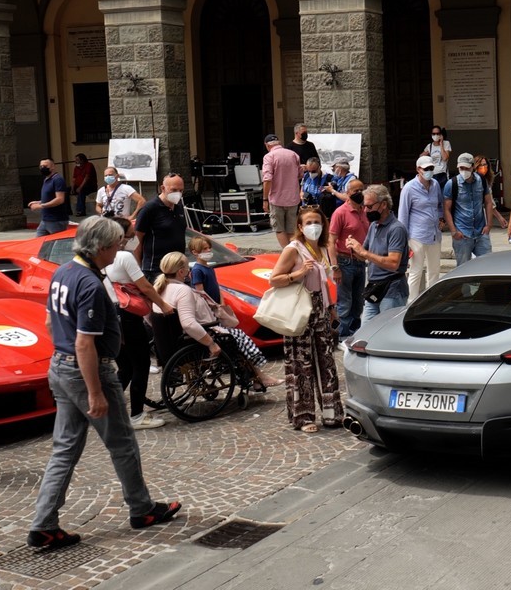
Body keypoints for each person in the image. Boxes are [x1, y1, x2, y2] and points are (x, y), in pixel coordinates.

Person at [28, 216, 181, 551]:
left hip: (63, 366)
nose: (120, 249)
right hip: (88, 370)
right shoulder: (89, 283)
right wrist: (95, 391)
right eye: (116, 244)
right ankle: (141, 509)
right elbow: (85, 344)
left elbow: (50, 322)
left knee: (64, 448)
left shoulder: (63, 272)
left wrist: (64, 358)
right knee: (123, 443)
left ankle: (43, 524)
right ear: (100, 247)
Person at [152, 252, 279, 388]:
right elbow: (188, 323)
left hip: (170, 341)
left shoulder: (159, 288)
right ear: (182, 271)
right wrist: (210, 343)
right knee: (239, 336)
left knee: (234, 335)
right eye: (188, 268)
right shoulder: (182, 291)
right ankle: (259, 376)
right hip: (192, 338)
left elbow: (150, 319)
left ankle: (257, 376)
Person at [267, 207, 342, 433]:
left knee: (326, 363)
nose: (313, 226)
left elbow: (323, 283)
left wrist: (331, 309)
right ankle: (303, 416)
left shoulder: (320, 249)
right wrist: (297, 275)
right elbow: (274, 279)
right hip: (300, 312)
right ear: (300, 227)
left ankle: (332, 413)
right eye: (308, 222)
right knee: (301, 365)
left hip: (320, 311)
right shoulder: (293, 249)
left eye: (317, 221)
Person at [105, 218, 173, 430]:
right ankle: (136, 415)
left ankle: (108, 411)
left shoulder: (100, 257)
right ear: (120, 236)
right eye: (131, 233)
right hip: (128, 316)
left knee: (124, 367)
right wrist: (163, 305)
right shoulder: (124, 256)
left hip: (111, 316)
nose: (135, 237)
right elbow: (145, 286)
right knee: (140, 365)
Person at [347, 184, 410, 323]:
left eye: (369, 207)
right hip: (374, 287)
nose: (365, 210)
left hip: (392, 290)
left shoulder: (396, 229)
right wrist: (354, 249)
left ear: (383, 205)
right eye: (364, 206)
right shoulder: (374, 226)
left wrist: (363, 251)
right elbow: (364, 255)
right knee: (365, 332)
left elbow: (393, 263)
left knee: (387, 332)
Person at [328, 178, 369, 339]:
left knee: (359, 302)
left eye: (361, 190)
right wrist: (335, 267)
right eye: (355, 191)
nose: (359, 193)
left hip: (361, 261)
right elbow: (331, 241)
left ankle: (354, 332)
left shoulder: (365, 211)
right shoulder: (340, 213)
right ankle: (341, 336)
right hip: (345, 261)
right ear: (348, 193)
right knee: (344, 302)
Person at [399, 155, 443, 299]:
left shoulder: (435, 184)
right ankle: (410, 302)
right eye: (426, 169)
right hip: (416, 235)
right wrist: (404, 241)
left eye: (431, 168)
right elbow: (403, 215)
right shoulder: (409, 188)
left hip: (434, 233)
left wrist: (441, 218)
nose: (429, 171)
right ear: (418, 169)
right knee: (416, 271)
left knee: (434, 270)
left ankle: (431, 301)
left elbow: (439, 205)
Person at [445, 153, 497, 265]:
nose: (464, 171)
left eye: (467, 168)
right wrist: (453, 231)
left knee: (487, 265)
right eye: (461, 168)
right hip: (462, 234)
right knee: (463, 268)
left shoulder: (481, 181)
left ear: (473, 166)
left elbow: (488, 202)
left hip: (481, 232)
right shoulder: (452, 184)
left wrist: (489, 225)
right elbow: (446, 209)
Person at [133, 173, 187, 282]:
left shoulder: (179, 207)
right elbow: (137, 240)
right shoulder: (150, 208)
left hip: (178, 268)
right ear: (162, 188)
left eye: (181, 190)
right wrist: (140, 267)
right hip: (156, 270)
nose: (178, 193)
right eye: (174, 190)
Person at [262, 133, 302, 248]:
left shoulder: (269, 157)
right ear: (279, 143)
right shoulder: (293, 154)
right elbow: (300, 174)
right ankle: (295, 253)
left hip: (276, 199)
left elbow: (267, 179)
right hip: (293, 198)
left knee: (279, 229)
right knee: (291, 229)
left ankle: (286, 254)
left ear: (267, 145)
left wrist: (265, 199)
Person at [31, 158, 70, 236]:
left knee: (58, 244)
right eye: (41, 166)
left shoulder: (58, 180)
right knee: (39, 243)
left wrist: (41, 206)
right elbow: (49, 197)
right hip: (45, 220)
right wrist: (38, 202)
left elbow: (59, 199)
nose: (43, 168)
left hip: (56, 220)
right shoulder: (46, 180)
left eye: (45, 166)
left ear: (53, 167)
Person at [422, 125, 451, 217]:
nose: (435, 135)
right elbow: (421, 158)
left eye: (437, 133)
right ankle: (435, 218)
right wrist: (425, 154)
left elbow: (445, 157)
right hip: (432, 175)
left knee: (443, 198)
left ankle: (442, 219)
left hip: (442, 174)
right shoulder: (429, 146)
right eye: (434, 134)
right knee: (433, 198)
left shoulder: (446, 143)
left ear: (441, 134)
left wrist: (441, 144)